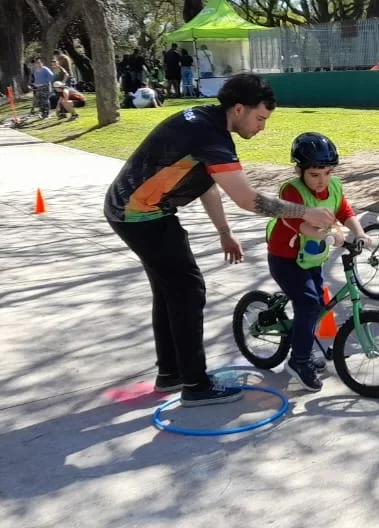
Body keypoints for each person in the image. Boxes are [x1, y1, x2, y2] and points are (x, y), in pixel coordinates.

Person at [105, 73, 336, 407]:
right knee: (187, 290)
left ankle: (171, 372)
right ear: (239, 109)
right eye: (260, 118)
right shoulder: (209, 134)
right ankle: (196, 385)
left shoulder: (206, 123)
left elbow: (207, 183)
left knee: (169, 289)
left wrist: (225, 232)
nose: (262, 127)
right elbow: (248, 199)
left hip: (137, 211)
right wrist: (303, 212)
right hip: (139, 214)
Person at [266, 133, 372, 392]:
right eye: (314, 174)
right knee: (308, 302)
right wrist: (329, 235)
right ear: (299, 170)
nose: (322, 180)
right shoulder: (292, 190)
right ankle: (299, 360)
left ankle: (301, 344)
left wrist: (359, 232)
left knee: (316, 304)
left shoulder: (333, 186)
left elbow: (344, 211)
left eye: (327, 172)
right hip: (285, 257)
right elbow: (295, 223)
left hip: (311, 257)